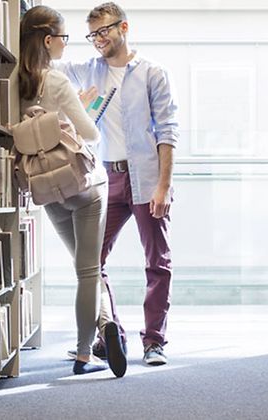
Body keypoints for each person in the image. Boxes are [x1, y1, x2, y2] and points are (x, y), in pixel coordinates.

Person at [57, 2, 179, 366]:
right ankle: (111, 336)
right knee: (91, 258)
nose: (98, 40)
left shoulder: (152, 73)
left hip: (146, 177)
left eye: (104, 31)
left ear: (123, 28)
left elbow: (167, 132)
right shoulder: (88, 70)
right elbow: (47, 68)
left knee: (157, 262)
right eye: (92, 34)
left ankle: (154, 342)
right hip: (106, 178)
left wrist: (163, 186)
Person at [18, 5, 126, 377]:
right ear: (48, 40)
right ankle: (84, 354)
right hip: (83, 186)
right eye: (64, 37)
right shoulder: (57, 81)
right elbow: (90, 134)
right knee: (89, 271)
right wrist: (81, 108)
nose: (66, 43)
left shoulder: (14, 83)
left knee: (83, 267)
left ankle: (106, 323)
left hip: (47, 189)